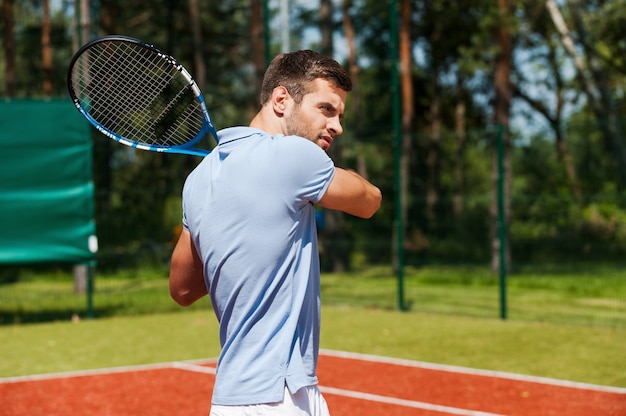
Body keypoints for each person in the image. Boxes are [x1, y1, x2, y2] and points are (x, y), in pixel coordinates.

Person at [169, 49, 382, 415]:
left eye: (340, 115)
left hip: (233, 398)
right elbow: (370, 201)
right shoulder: (295, 156)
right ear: (281, 99)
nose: (337, 126)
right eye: (327, 109)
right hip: (282, 396)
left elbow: (183, 289)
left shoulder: (198, 180)